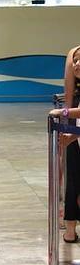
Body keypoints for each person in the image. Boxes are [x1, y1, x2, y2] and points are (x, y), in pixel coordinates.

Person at [51, 45, 80, 243]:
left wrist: (63, 114)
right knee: (73, 173)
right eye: (75, 61)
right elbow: (69, 98)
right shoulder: (74, 51)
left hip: (74, 116)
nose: (76, 64)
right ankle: (70, 225)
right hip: (75, 118)